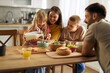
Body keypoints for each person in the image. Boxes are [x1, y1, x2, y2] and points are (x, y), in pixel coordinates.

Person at [82, 3, 110, 73]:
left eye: (86, 17)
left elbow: (85, 52)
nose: (84, 21)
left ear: (94, 16)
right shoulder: (107, 24)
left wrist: (98, 52)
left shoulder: (95, 26)